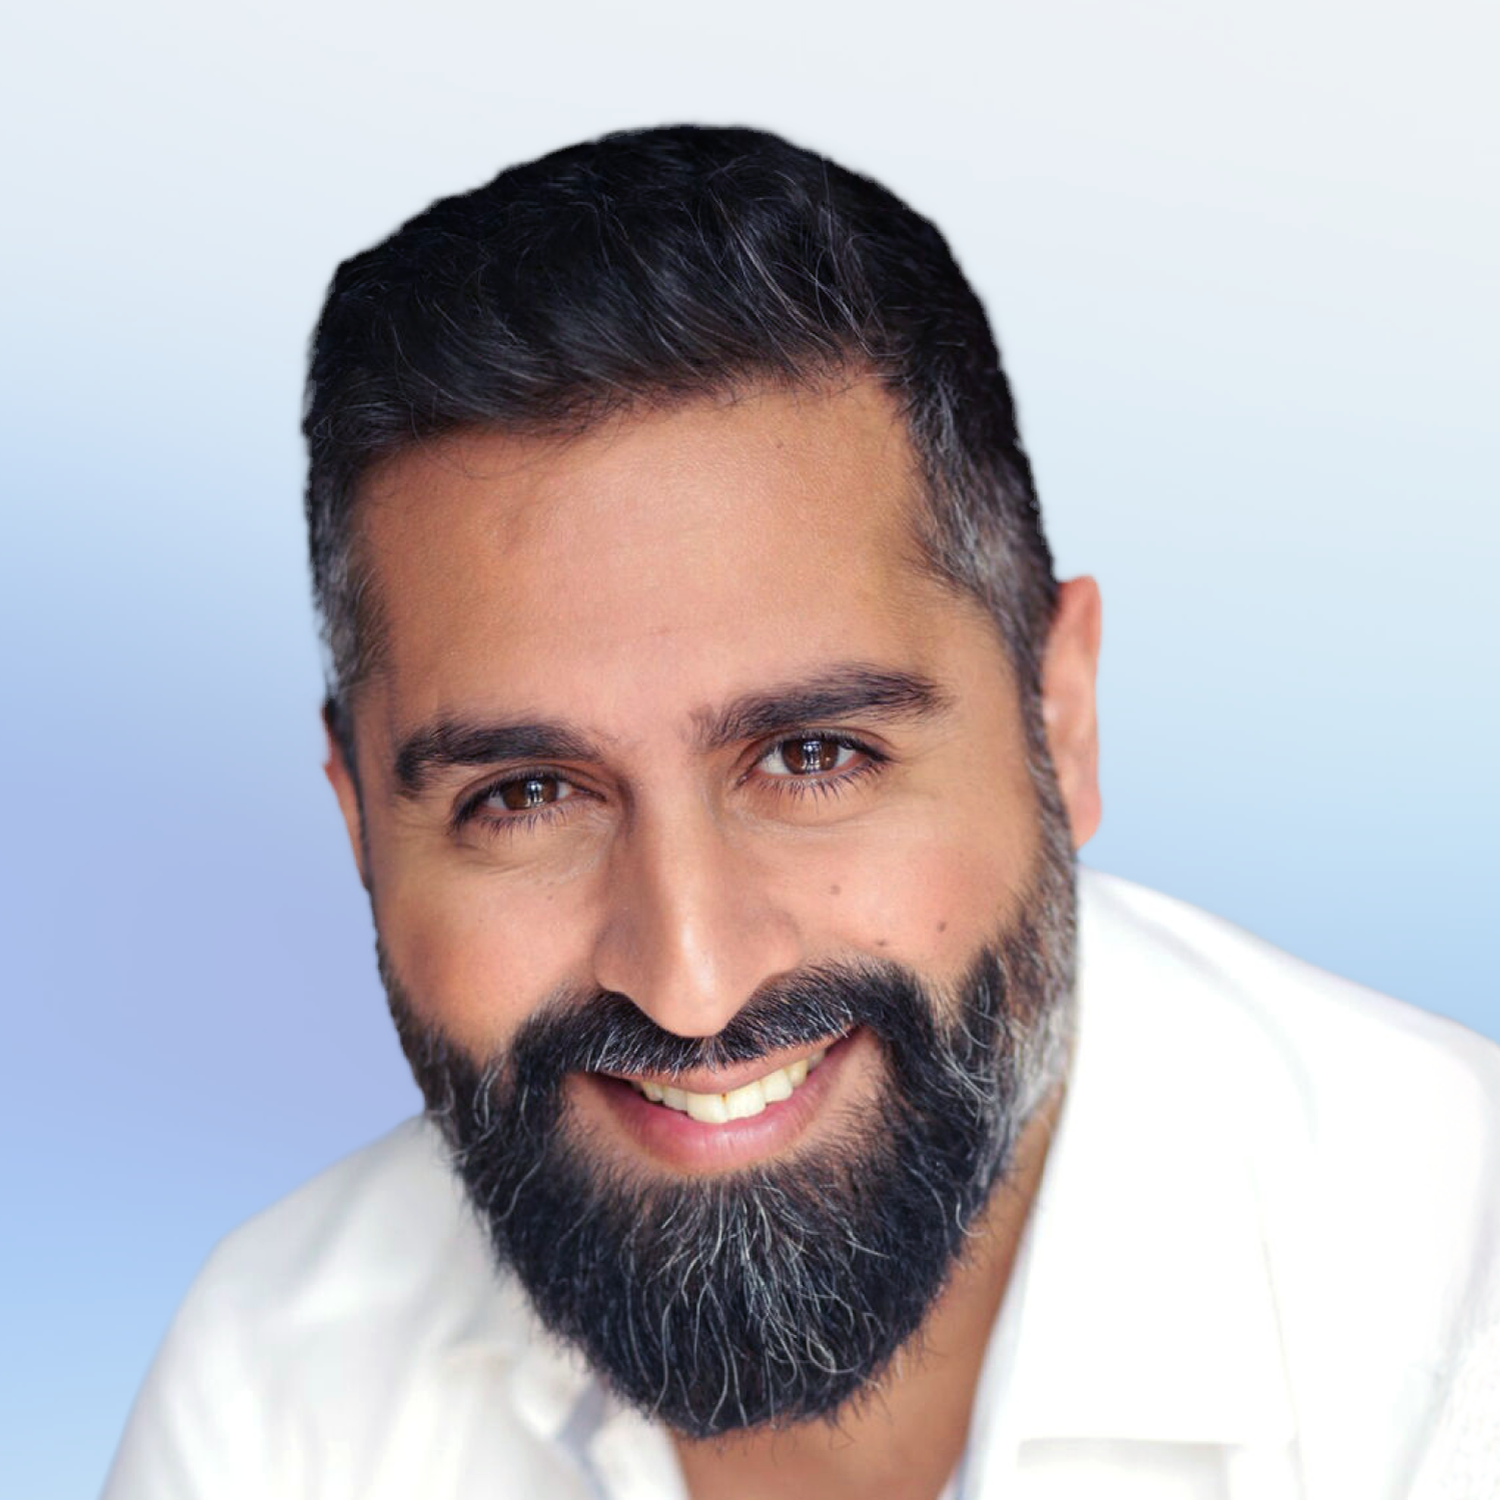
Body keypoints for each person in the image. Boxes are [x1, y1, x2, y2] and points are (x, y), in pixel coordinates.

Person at [103, 125, 1500, 1500]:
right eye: (525, 797)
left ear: (1058, 721)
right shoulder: (273, 1395)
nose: (693, 982)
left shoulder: (1459, 1324)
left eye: (816, 756)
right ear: (358, 825)